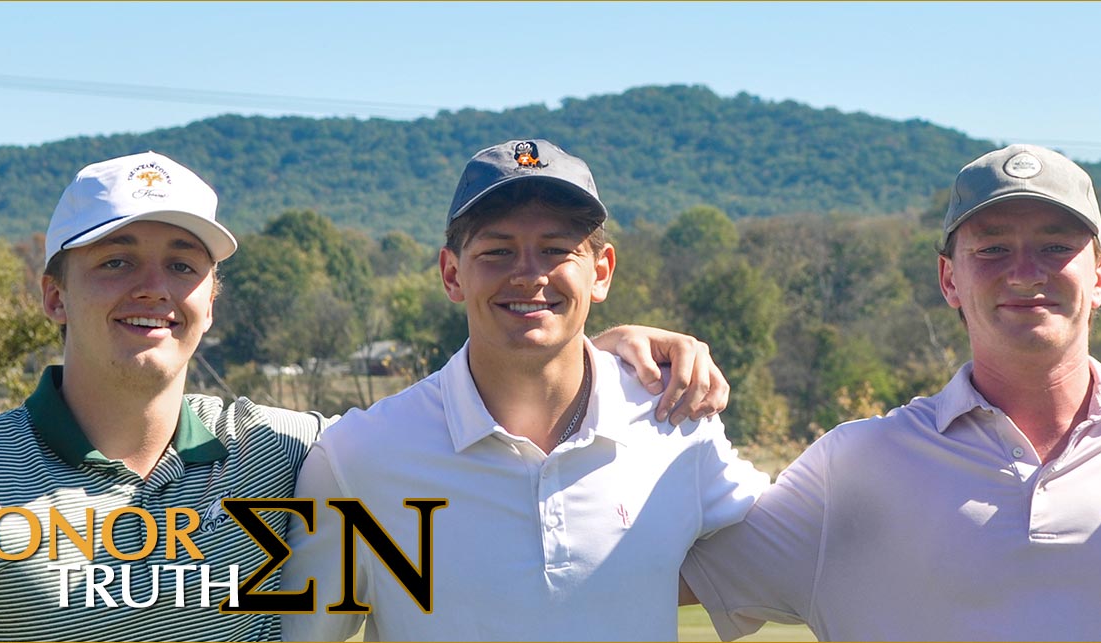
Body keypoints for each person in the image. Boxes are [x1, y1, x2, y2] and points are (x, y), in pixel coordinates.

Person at [0, 151, 727, 642]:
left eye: (183, 264)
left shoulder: (292, 453)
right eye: (116, 262)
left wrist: (601, 351)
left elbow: (462, 422)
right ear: (53, 294)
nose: (154, 287)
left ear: (213, 294)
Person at [678, 144, 1101, 640]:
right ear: (948, 278)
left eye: (1055, 246)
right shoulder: (852, 469)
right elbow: (635, 565)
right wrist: (594, 362)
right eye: (991, 249)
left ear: (1099, 275)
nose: (1025, 272)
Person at [279, 139, 771, 642]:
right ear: (452, 274)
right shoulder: (359, 457)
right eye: (498, 250)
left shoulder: (674, 420)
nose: (530, 274)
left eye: (557, 250)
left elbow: (803, 550)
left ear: (600, 273)